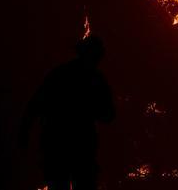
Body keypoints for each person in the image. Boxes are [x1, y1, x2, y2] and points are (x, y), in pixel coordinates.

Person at [20, 34, 115, 190]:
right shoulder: (96, 80)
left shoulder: (60, 74)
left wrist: (24, 133)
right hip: (76, 148)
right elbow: (108, 115)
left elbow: (34, 104)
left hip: (59, 147)